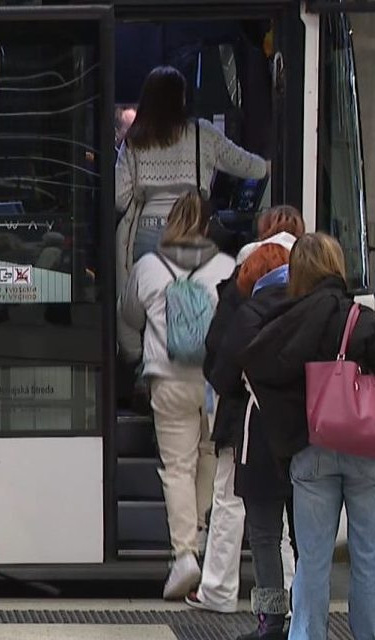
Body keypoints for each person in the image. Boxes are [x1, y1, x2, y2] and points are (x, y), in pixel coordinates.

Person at [241, 233, 375, 640]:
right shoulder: (365, 320)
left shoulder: (288, 321)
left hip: (314, 450)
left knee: (313, 559)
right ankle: (370, 634)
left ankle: (306, 634)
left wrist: (291, 434)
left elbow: (255, 364)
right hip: (369, 450)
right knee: (366, 555)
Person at [186, 205, 303, 615]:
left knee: (237, 507)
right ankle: (293, 602)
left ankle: (223, 592)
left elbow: (219, 362)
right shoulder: (311, 293)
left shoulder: (244, 296)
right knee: (294, 525)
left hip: (246, 423)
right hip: (300, 426)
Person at [118, 190, 235, 600]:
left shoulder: (148, 267)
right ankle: (200, 537)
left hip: (166, 378)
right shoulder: (226, 266)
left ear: (170, 224)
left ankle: (183, 554)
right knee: (207, 456)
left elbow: (129, 317)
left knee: (177, 467)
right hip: (212, 381)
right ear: (207, 226)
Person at [115, 65, 267, 293]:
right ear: (181, 98)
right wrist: (268, 166)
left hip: (146, 232)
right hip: (191, 227)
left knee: (148, 301)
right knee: (189, 302)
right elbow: (248, 166)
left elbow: (119, 197)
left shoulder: (135, 140)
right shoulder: (202, 133)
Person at [209, 244, 295, 639]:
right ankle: (305, 618)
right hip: (306, 439)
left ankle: (271, 622)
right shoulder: (306, 309)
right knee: (306, 537)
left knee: (264, 536)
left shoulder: (249, 314)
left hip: (258, 437)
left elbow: (223, 377)